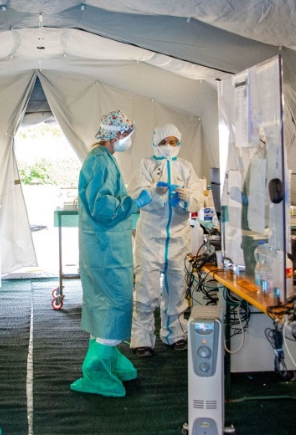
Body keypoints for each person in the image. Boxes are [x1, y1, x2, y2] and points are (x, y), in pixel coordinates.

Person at [71, 110, 152, 398]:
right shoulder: (99, 162)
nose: (128, 140)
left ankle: (108, 358)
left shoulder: (103, 160)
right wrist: (135, 202)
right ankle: (96, 370)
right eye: (127, 135)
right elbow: (103, 208)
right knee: (114, 304)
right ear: (116, 134)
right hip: (106, 252)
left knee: (105, 306)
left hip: (104, 249)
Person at [129, 124, 205, 357]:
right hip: (150, 239)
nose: (169, 146)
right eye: (164, 142)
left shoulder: (186, 167)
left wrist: (187, 198)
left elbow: (197, 198)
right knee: (146, 290)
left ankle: (176, 334)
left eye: (173, 142)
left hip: (178, 239)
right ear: (156, 143)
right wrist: (154, 193)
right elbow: (136, 196)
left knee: (177, 288)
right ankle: (142, 339)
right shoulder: (146, 165)